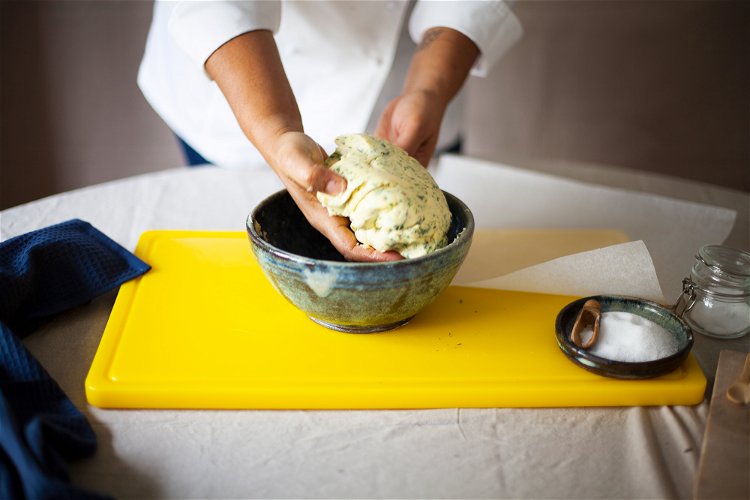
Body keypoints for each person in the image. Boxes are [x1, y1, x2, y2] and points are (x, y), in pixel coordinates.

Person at [138, 0, 521, 262]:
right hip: (243, 76)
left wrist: (427, 90)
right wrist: (276, 127)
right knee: (224, 257)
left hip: (415, 79)